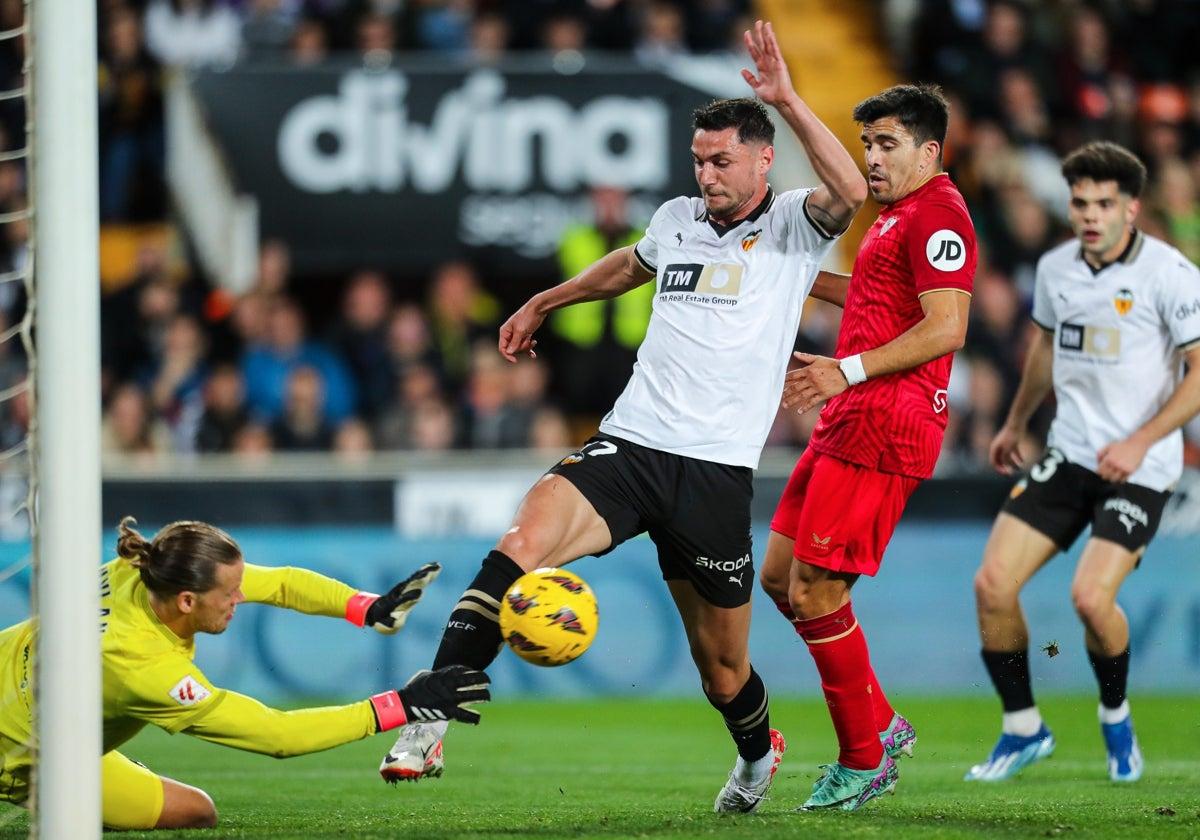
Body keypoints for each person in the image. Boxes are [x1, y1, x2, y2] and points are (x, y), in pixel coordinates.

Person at [379, 19, 867, 814]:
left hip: (714, 472)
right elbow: (628, 267)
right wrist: (546, 297)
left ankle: (756, 753)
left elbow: (849, 193)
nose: (707, 175)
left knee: (723, 672)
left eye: (723, 160)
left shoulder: (790, 226)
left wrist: (787, 98)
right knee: (517, 550)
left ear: (763, 158)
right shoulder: (676, 218)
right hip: (631, 445)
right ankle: (428, 721)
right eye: (699, 161)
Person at [758, 83, 976, 811]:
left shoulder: (941, 214)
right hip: (850, 415)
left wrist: (842, 368)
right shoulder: (896, 218)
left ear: (929, 151)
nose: (873, 160)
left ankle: (863, 758)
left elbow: (946, 327)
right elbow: (875, 295)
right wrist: (789, 277)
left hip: (889, 419)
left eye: (887, 145)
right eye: (867, 146)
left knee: (816, 591)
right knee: (781, 577)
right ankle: (880, 722)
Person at [0, 517, 489, 830]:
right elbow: (273, 734)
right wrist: (400, 706)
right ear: (188, 602)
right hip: (22, 757)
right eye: (230, 594)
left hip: (32, 703)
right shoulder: (145, 668)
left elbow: (279, 584)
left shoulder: (150, 570)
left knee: (198, 812)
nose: (241, 599)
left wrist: (365, 607)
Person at [966, 141, 1200, 784]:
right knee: (992, 585)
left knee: (1091, 600)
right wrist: (1016, 422)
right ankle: (1023, 728)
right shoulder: (1057, 269)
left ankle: (1115, 715)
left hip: (1141, 466)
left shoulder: (1171, 275)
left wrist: (1140, 439)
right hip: (1069, 454)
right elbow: (1044, 348)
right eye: (1079, 202)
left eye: (1104, 203)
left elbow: (1199, 374)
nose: (1089, 215)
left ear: (1131, 208)